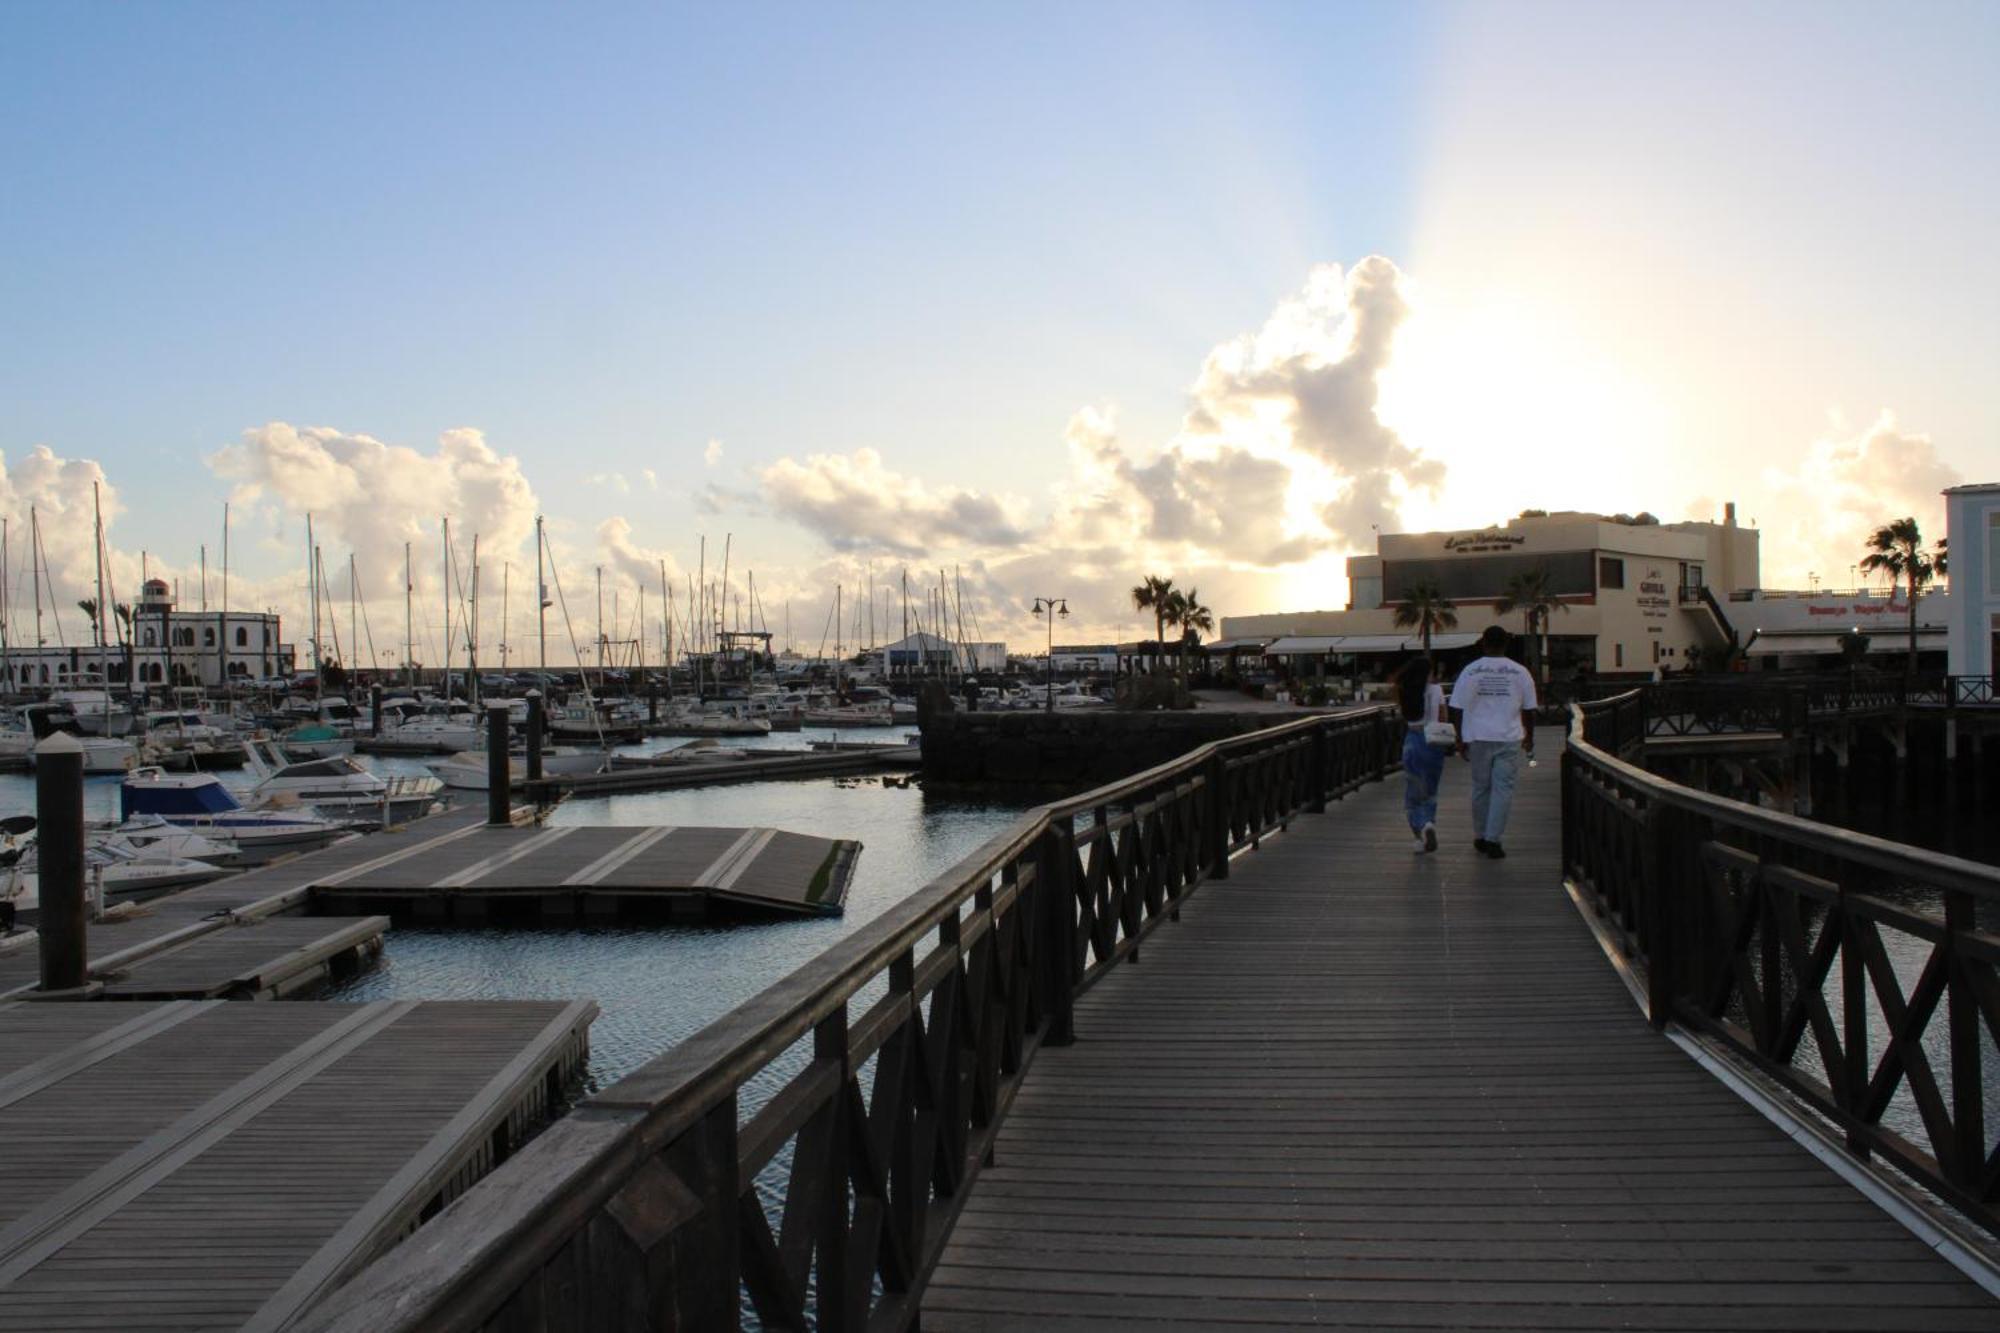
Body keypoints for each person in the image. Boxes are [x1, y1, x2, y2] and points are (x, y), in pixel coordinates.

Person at [1449, 625, 1538, 859]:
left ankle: (1480, 834)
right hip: (1508, 736)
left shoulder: (1470, 671)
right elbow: (1529, 709)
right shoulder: (1520, 672)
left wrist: (1460, 738)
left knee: (1480, 787)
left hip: (1478, 736)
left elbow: (1456, 707)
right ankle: (1493, 838)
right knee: (1503, 789)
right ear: (1506, 644)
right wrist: (1530, 736)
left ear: (1483, 643)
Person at [1395, 656, 1448, 854]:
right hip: (1434, 741)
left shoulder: (1406, 690)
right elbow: (1443, 716)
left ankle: (1420, 831)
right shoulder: (1437, 690)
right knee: (1430, 790)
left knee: (1413, 791)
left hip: (1413, 740)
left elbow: (1405, 716)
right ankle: (1429, 823)